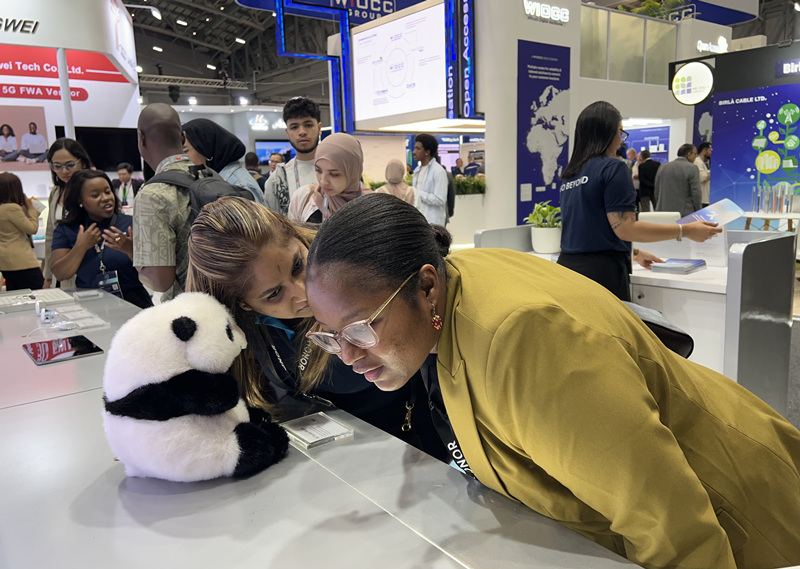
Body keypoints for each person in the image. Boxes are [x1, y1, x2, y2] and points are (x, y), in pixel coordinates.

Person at [304, 192, 800, 569]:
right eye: (330, 335)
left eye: (360, 328)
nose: (347, 355)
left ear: (427, 285)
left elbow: (670, 523)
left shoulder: (522, 340)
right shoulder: (455, 292)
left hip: (743, 519)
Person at [185, 196, 445, 459]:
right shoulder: (234, 333)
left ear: (296, 235)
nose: (304, 293)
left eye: (297, 265)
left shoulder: (349, 265)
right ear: (243, 304)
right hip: (334, 447)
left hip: (413, 432)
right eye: (274, 294)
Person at [557, 102, 720, 301]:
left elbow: (589, 231)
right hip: (601, 275)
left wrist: (634, 253)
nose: (621, 138)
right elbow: (625, 228)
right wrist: (686, 231)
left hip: (566, 271)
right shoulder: (613, 168)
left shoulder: (571, 174)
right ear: (609, 132)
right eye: (620, 131)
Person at [51, 170, 152, 309]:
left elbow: (154, 273)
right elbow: (60, 274)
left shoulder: (131, 223)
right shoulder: (67, 229)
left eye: (107, 192)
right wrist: (80, 247)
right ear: (80, 200)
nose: (105, 198)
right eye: (95, 195)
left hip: (133, 302)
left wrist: (130, 250)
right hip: (88, 304)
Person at [134, 103, 193, 301]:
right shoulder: (212, 178)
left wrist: (141, 268)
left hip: (188, 310)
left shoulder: (152, 195)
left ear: (141, 138)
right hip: (229, 305)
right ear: (183, 138)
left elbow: (160, 281)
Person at [44, 138, 93, 289]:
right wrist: (48, 276)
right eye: (57, 166)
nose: (64, 171)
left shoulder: (93, 188)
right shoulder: (56, 192)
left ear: (82, 162)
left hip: (90, 264)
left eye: (70, 165)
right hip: (61, 267)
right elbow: (50, 236)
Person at [182, 118, 266, 205]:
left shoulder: (240, 185)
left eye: (185, 151)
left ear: (206, 149)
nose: (182, 157)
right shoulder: (212, 179)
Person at [288, 132, 365, 224]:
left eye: (334, 174)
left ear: (353, 172)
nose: (323, 182)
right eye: (318, 170)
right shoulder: (303, 198)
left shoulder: (373, 206)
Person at [264, 97, 322, 215]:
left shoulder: (340, 170)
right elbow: (272, 223)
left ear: (319, 128)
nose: (302, 132)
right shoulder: (277, 180)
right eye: (294, 127)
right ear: (287, 133)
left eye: (308, 125)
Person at [0, 172, 44, 290]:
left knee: (15, 292)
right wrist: (32, 210)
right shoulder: (12, 208)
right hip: (21, 260)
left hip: (6, 260)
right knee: (36, 290)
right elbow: (32, 229)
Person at [654, 143, 702, 218]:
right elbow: (696, 193)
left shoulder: (662, 167)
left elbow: (656, 192)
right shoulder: (692, 168)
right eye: (695, 154)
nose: (695, 157)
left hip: (663, 212)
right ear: (689, 154)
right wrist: (698, 210)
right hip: (684, 213)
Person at [412, 134, 448, 226]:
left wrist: (417, 192)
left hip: (433, 223)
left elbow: (440, 200)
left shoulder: (438, 171)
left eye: (418, 149)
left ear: (427, 152)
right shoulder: (417, 171)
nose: (414, 152)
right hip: (418, 220)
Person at [695, 141, 712, 208]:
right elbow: (704, 178)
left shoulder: (704, 162)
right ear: (704, 151)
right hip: (702, 199)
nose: (711, 153)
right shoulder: (697, 162)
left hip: (706, 198)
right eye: (710, 150)